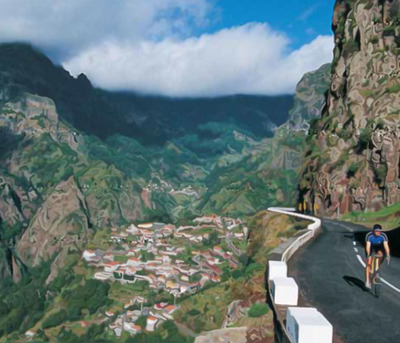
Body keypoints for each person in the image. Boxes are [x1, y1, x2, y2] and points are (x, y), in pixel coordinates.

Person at [365, 224, 390, 289]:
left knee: (381, 255)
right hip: (371, 247)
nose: (378, 233)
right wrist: (369, 255)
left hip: (379, 247)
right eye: (376, 231)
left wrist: (388, 255)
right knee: (369, 262)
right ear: (373, 231)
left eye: (380, 231)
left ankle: (376, 268)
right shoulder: (369, 235)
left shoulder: (383, 236)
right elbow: (368, 246)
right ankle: (367, 281)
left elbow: (386, 246)